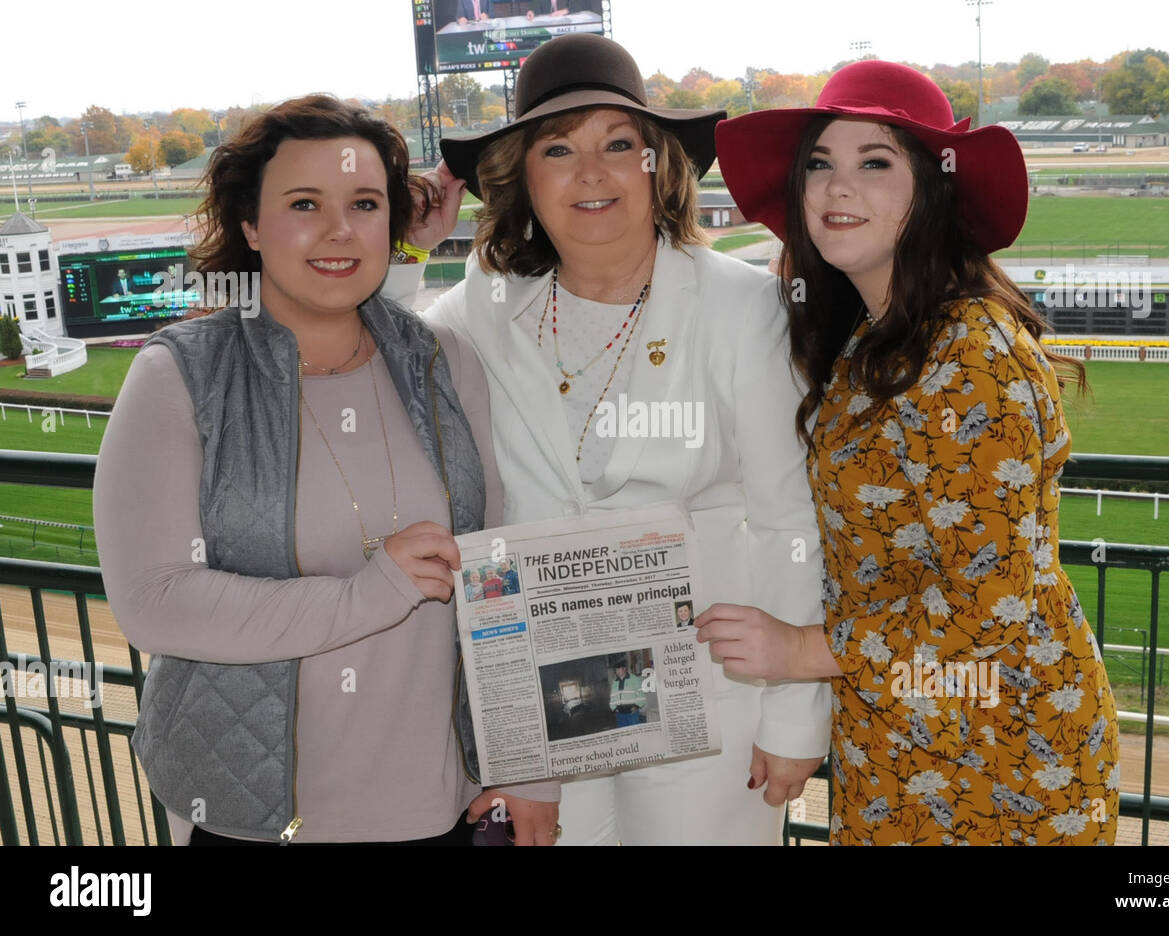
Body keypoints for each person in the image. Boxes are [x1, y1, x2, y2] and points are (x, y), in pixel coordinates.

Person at [384, 32, 830, 846]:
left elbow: (787, 519)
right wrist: (410, 249)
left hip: (709, 696)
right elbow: (378, 360)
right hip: (546, 708)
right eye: (558, 149)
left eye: (619, 145)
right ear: (525, 177)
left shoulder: (742, 308)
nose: (591, 173)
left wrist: (797, 716)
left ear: (658, 166)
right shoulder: (483, 309)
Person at [93, 94, 560, 846]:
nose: (340, 230)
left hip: (439, 808)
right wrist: (366, 595)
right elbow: (154, 603)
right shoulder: (178, 376)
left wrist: (529, 765)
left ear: (391, 223)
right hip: (254, 818)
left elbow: (494, 570)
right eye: (304, 203)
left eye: (365, 203)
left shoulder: (444, 360)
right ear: (250, 224)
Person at [701, 60, 1120, 845]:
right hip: (904, 732)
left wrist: (802, 649)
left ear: (933, 189)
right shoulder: (878, 336)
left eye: (874, 163)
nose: (835, 186)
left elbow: (993, 603)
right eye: (819, 163)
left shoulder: (972, 352)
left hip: (1000, 750)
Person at [608, 659, 646, 727]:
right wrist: (614, 708)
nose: (617, 672)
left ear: (624, 669)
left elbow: (641, 695)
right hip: (619, 714)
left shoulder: (634, 679)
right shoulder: (615, 682)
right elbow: (612, 696)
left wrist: (636, 706)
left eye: (618, 669)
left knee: (634, 733)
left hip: (632, 714)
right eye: (616, 670)